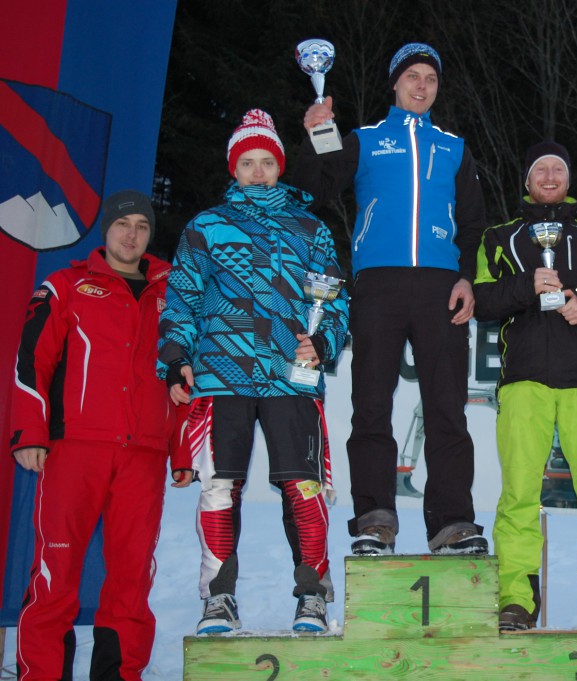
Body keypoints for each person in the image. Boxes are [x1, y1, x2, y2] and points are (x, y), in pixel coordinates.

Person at [292, 42, 488, 556]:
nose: (422, 86)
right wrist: (316, 136)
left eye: (430, 78)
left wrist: (466, 278)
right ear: (395, 83)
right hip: (378, 285)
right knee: (372, 406)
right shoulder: (365, 139)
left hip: (441, 288)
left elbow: (473, 223)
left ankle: (452, 522)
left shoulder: (454, 148)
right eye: (412, 76)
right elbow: (313, 191)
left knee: (447, 408)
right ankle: (374, 519)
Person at [158, 109, 348, 634]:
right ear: (234, 168)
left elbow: (335, 300)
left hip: (291, 374)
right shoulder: (206, 227)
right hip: (221, 374)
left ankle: (312, 597)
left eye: (267, 161)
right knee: (220, 487)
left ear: (280, 166)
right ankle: (218, 599)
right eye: (248, 163)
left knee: (303, 486)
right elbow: (182, 299)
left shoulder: (310, 228)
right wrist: (175, 359)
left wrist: (324, 341)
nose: (258, 171)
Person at [11, 190, 188, 680]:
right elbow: (32, 361)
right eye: (123, 225)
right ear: (105, 229)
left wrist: (181, 452)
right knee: (56, 573)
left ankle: (120, 675)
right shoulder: (65, 286)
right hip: (75, 450)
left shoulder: (174, 294)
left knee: (132, 579)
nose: (132, 235)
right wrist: (30, 432)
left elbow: (187, 380)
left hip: (143, 456)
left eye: (142, 227)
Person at [473, 141, 577, 631]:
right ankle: (516, 602)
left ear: (569, 179)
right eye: (539, 169)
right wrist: (527, 286)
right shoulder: (499, 239)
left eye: (557, 169)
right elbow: (483, 299)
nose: (548, 176)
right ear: (527, 180)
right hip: (524, 383)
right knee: (519, 497)